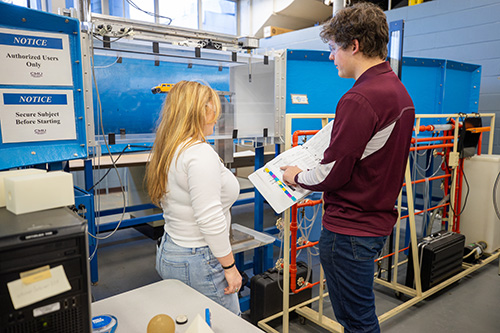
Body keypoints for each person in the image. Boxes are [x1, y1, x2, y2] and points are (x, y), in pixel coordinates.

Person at [281, 3, 415, 332]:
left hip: (349, 231)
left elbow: (333, 174)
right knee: (360, 318)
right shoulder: (399, 93)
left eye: (333, 48)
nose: (331, 57)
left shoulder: (359, 98)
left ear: (354, 45)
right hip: (375, 222)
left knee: (357, 323)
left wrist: (295, 175)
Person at [146, 80, 242, 315]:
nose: (216, 117)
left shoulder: (170, 147)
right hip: (198, 258)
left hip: (171, 248)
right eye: (212, 110)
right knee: (227, 324)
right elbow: (209, 219)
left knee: (187, 322)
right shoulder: (199, 154)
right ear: (197, 112)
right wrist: (229, 267)